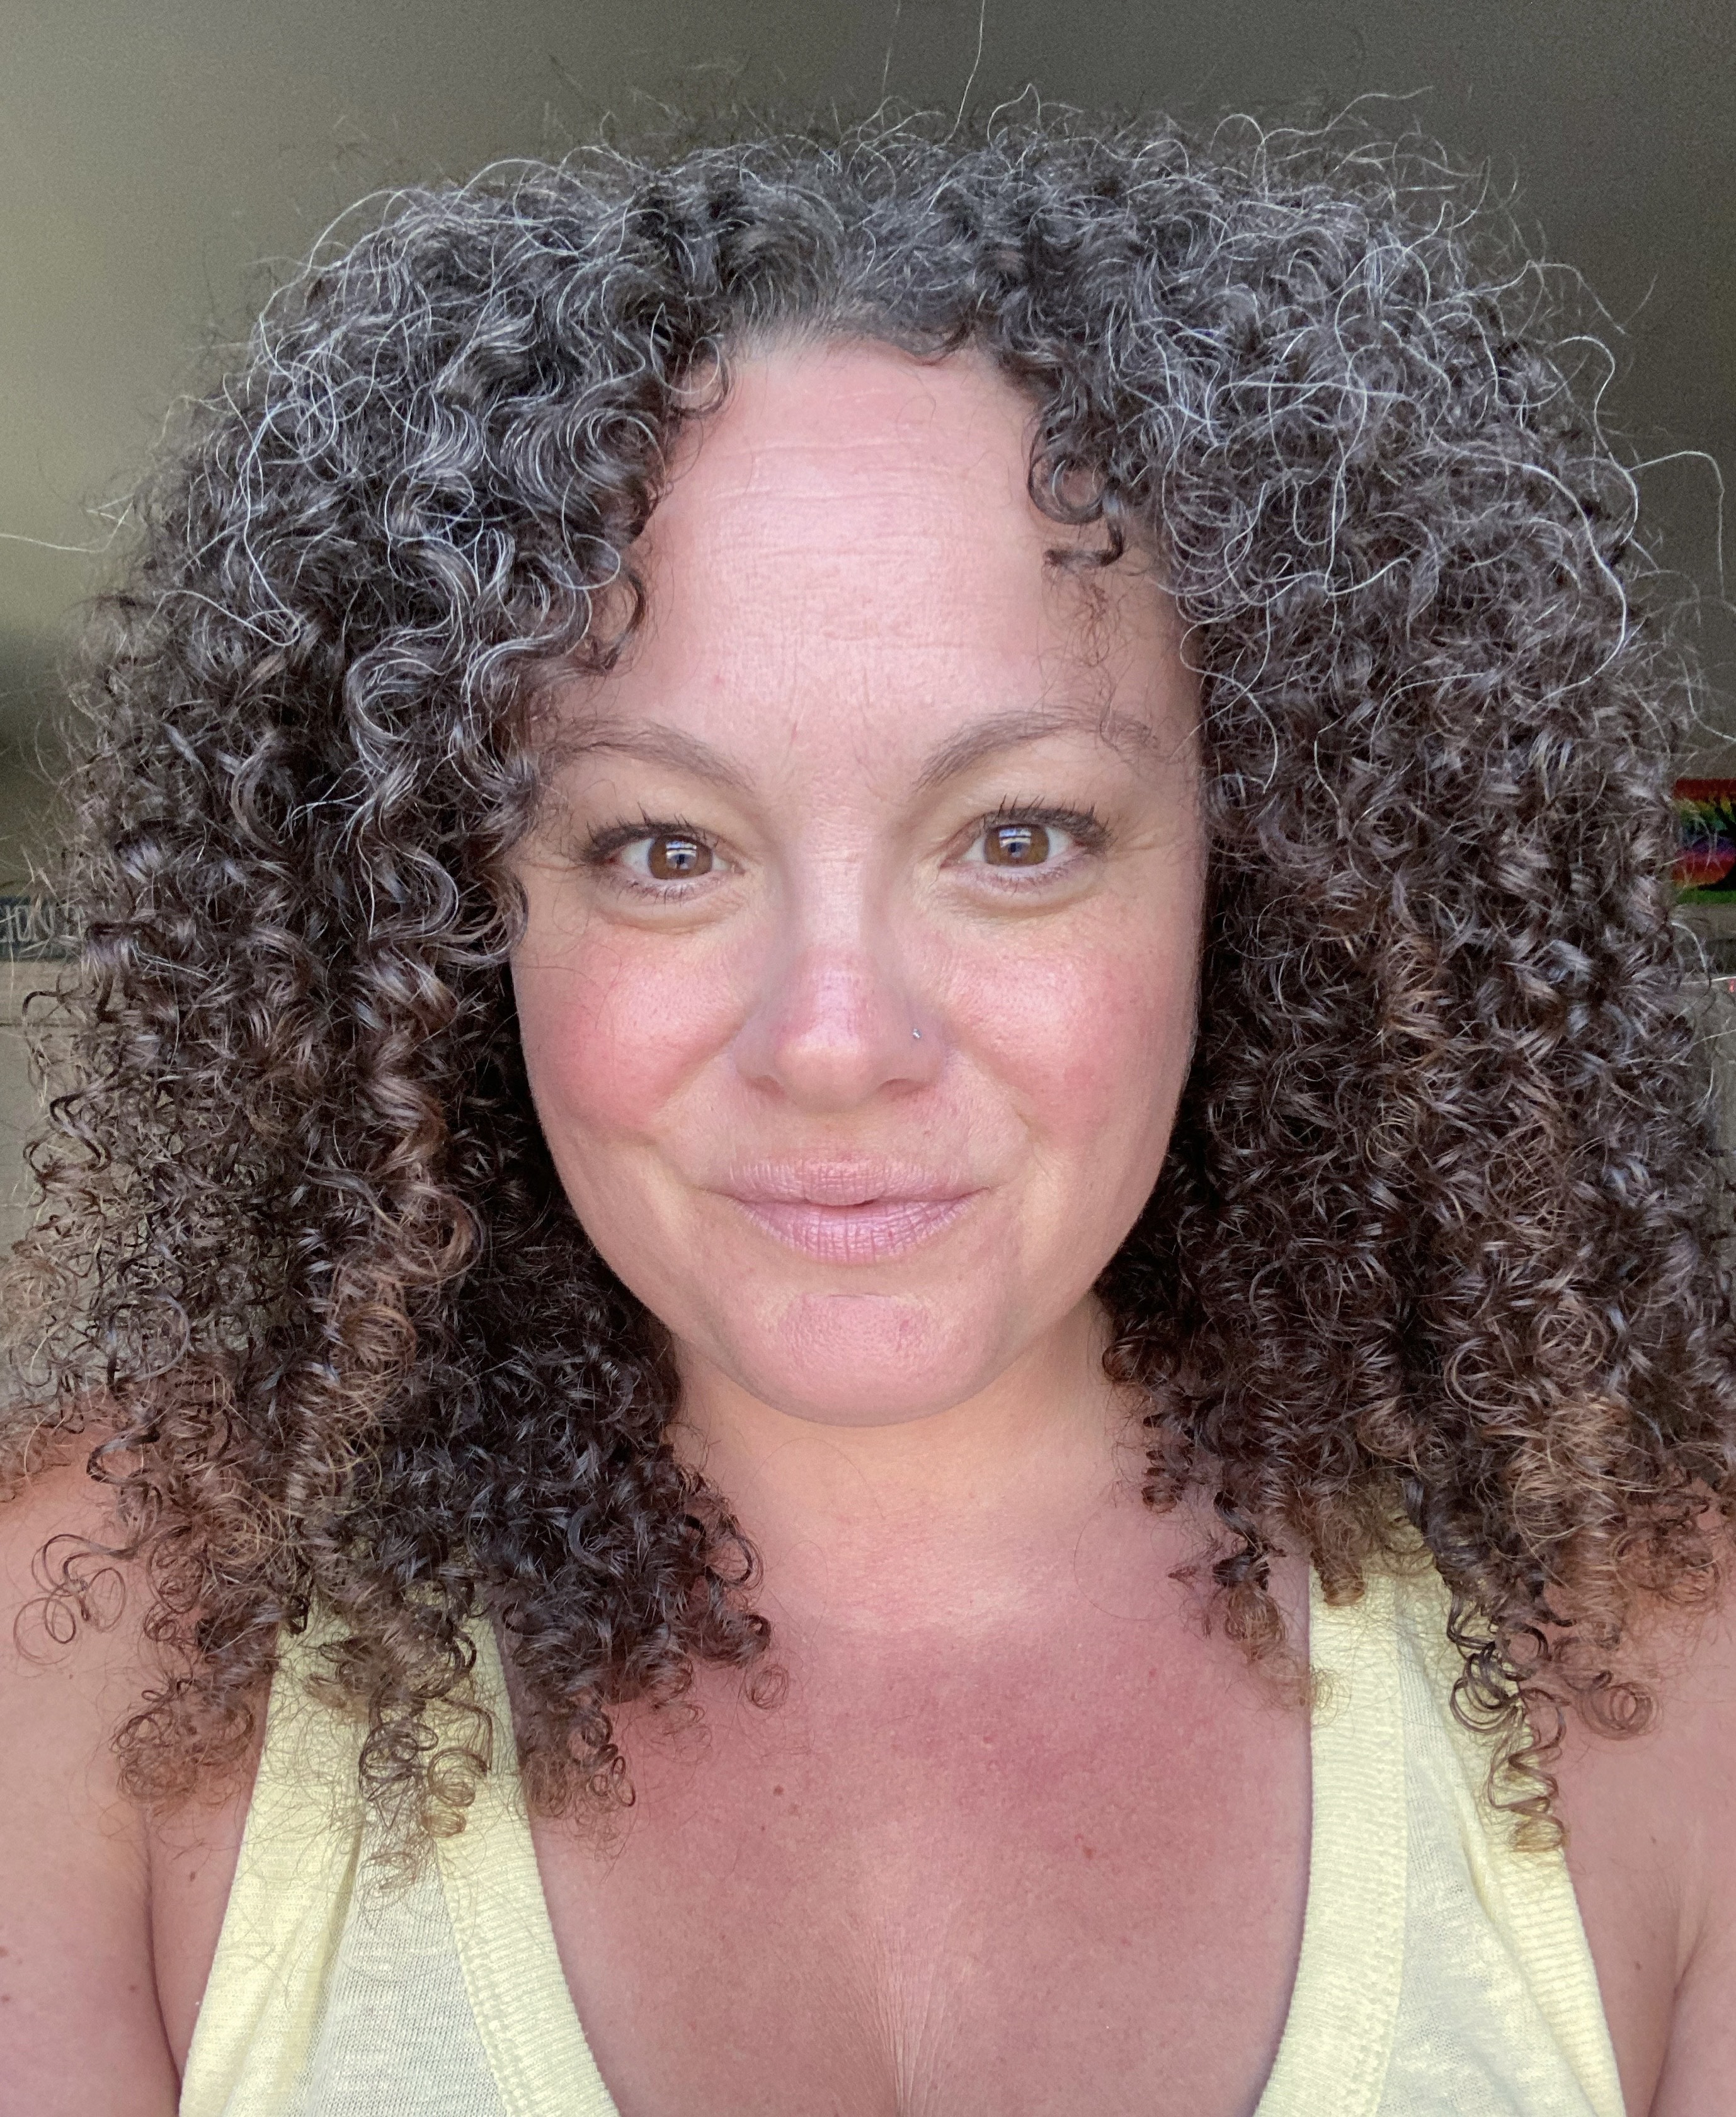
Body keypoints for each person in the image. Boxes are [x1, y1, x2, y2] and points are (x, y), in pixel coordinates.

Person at [1, 108, 1733, 2117]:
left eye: (1018, 834)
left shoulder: (1653, 1650)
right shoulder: (108, 1625)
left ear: (1252, 877)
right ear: (456, 914)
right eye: (660, 846)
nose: (834, 1041)